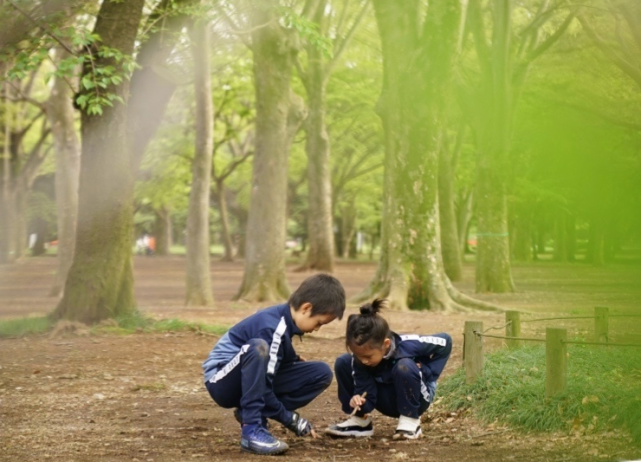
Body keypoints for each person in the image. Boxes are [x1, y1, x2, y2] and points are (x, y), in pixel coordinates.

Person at [202, 274, 346, 456]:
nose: (316, 329)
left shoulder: (284, 321)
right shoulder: (271, 328)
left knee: (320, 373)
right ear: (306, 308)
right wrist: (291, 420)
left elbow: (277, 359)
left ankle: (252, 411)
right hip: (221, 381)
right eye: (318, 323)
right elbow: (263, 377)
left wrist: (292, 361)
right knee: (258, 348)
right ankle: (251, 429)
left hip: (246, 378)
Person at [326, 298, 452, 440]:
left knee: (403, 366)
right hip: (387, 396)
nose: (364, 361)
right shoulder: (360, 360)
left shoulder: (410, 344)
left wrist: (428, 371)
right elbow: (367, 392)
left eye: (368, 356)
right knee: (344, 361)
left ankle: (410, 420)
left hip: (417, 397)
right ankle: (360, 421)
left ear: (386, 344)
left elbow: (445, 341)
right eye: (359, 356)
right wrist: (359, 401)